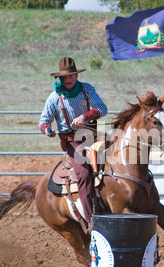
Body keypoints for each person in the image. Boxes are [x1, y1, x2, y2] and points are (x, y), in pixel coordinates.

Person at [39, 57, 107, 223]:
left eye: (71, 76)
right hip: (72, 140)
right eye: (64, 77)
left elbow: (102, 108)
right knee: (83, 172)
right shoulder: (54, 97)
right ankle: (91, 219)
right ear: (60, 79)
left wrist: (84, 117)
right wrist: (47, 129)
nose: (68, 80)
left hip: (93, 135)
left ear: (76, 76)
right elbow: (43, 121)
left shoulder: (87, 89)